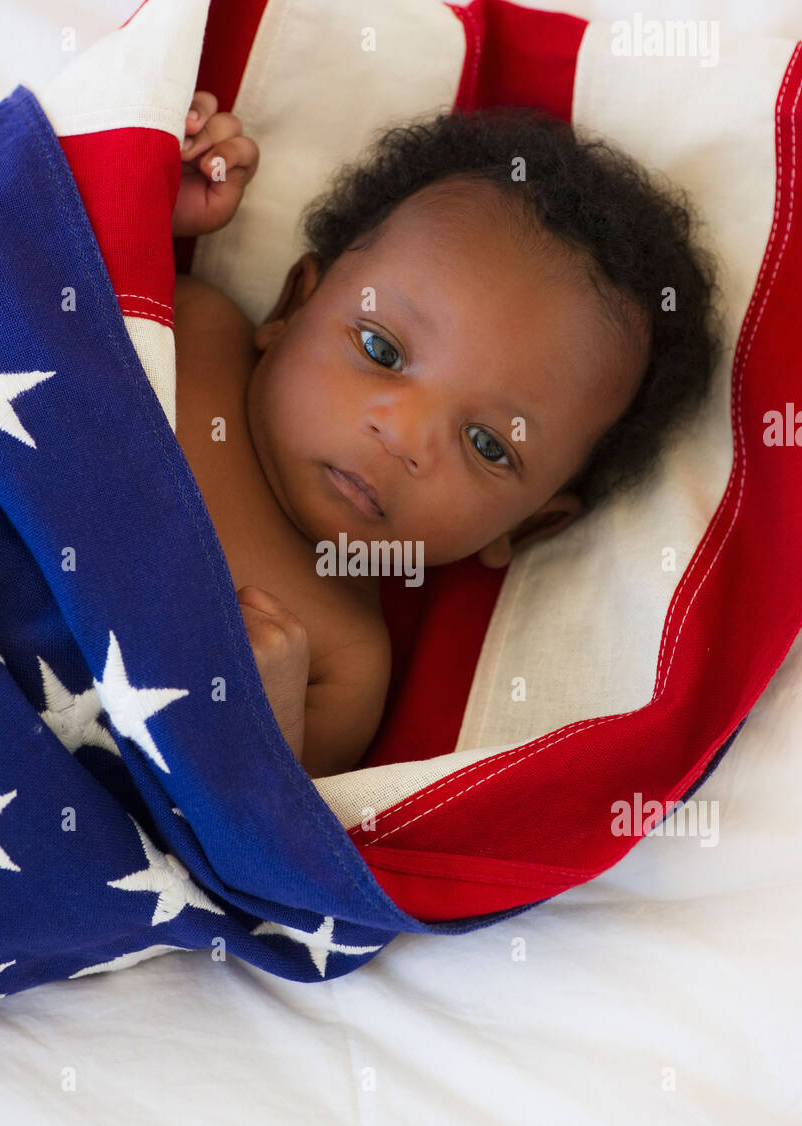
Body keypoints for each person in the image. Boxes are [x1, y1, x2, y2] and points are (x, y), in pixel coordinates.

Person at [172, 92, 720, 778]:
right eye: (381, 349)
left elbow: (256, 841)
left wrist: (262, 721)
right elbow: (28, 271)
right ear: (292, 305)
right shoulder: (187, 326)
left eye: (488, 445)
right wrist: (152, 194)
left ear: (524, 527)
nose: (404, 437)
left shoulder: (338, 663)